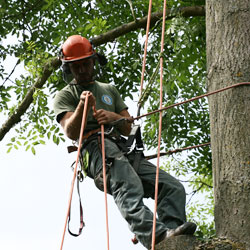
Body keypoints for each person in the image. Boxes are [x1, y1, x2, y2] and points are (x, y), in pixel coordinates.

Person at [53, 35, 196, 249]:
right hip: (96, 149)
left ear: (94, 61)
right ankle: (155, 236)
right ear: (68, 69)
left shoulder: (109, 90)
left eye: (85, 64)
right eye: (76, 67)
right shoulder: (65, 95)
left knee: (171, 186)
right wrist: (82, 107)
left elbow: (129, 127)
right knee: (128, 186)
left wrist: (114, 118)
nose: (82, 70)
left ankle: (173, 237)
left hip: (123, 149)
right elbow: (70, 132)